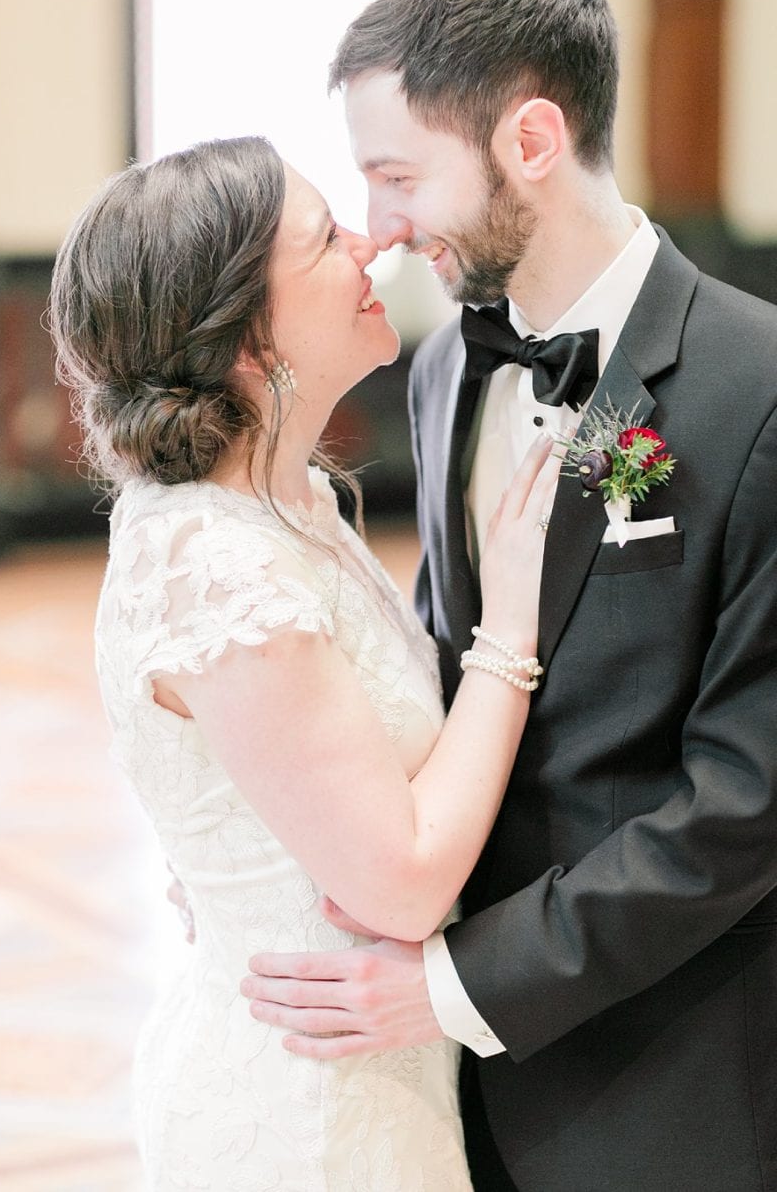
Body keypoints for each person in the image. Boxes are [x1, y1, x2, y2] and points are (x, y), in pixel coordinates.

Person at [241, 0, 777, 1191]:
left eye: (397, 177)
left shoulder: (758, 392)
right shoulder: (439, 374)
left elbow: (747, 804)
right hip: (436, 1080)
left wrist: (459, 984)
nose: (377, 229)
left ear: (529, 144)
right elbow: (432, 677)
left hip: (665, 1071)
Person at [49, 134, 559, 1189]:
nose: (374, 245)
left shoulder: (291, 502)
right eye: (327, 238)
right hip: (306, 1122)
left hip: (374, 1076)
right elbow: (406, 885)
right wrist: (511, 624)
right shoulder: (211, 561)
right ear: (248, 335)